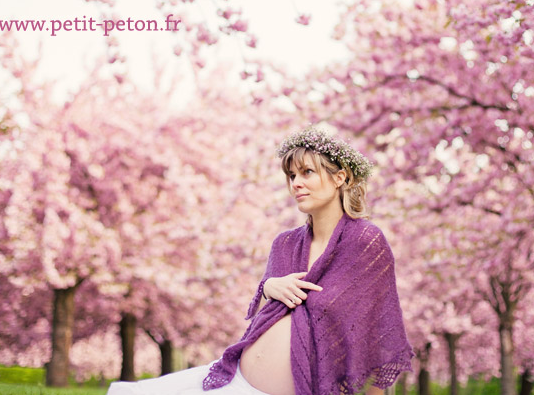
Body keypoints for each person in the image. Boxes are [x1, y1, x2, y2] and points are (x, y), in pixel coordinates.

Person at [107, 127, 414, 395]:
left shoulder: (364, 242)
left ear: (340, 177)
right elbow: (267, 321)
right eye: (291, 176)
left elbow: (380, 335)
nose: (296, 183)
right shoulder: (285, 244)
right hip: (235, 378)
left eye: (307, 172)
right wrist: (269, 287)